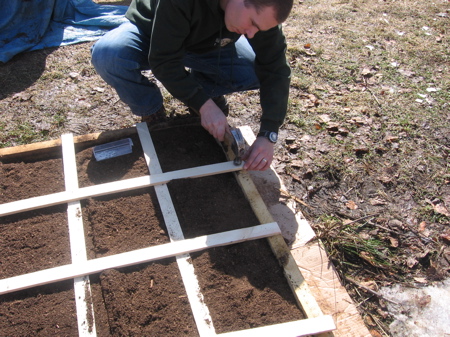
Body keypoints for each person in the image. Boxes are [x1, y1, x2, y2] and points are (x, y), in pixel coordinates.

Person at [91, 0, 293, 171]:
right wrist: (203, 104)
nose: (251, 34)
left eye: (258, 29)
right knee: (108, 55)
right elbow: (164, 61)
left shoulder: (263, 10)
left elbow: (275, 69)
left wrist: (269, 133)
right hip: (154, 32)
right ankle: (151, 109)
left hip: (207, 44)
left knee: (250, 70)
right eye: (252, 23)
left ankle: (206, 90)